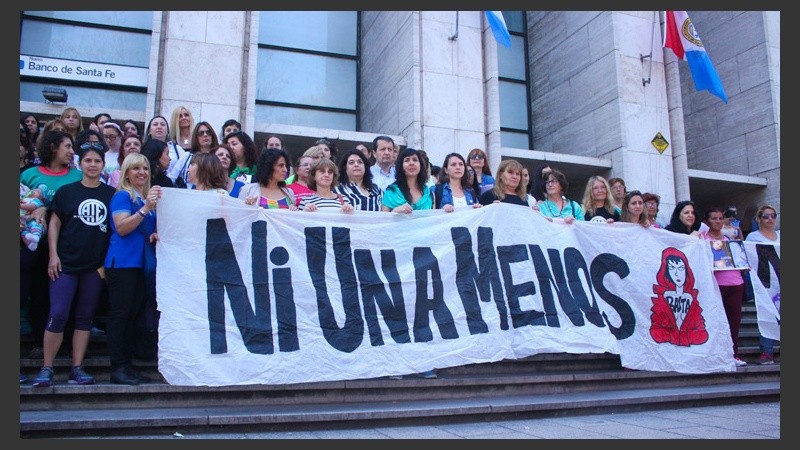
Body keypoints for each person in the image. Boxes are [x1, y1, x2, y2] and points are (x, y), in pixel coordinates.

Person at [31, 143, 115, 387]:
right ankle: (47, 367)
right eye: (88, 160)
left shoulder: (111, 194)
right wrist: (53, 255)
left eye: (97, 161)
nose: (92, 165)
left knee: (85, 317)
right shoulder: (67, 192)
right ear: (80, 164)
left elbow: (115, 231)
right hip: (65, 264)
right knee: (57, 314)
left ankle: (76, 368)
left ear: (103, 165)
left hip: (94, 267)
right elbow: (54, 224)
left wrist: (104, 265)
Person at [21, 131, 83, 354]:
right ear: (53, 147)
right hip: (35, 245)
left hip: (67, 244)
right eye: (67, 146)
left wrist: (46, 209)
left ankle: (66, 344)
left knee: (67, 294)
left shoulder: (77, 176)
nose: (72, 151)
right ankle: (40, 340)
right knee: (39, 291)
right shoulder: (29, 174)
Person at [104, 153, 162, 385]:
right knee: (121, 315)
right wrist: (145, 208)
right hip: (122, 263)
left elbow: (144, 230)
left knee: (132, 316)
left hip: (140, 264)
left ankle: (127, 366)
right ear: (126, 172)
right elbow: (122, 227)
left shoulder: (144, 199)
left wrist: (153, 234)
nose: (142, 172)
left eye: (145, 168)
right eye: (136, 168)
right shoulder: (122, 196)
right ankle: (117, 367)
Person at [700, 207, 747, 367]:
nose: (718, 221)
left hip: (736, 284)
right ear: (707, 221)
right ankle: (714, 355)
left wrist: (744, 265)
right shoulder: (702, 239)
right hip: (715, 285)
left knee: (734, 322)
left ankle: (734, 354)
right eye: (714, 218)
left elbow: (738, 259)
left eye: (720, 218)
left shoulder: (729, 240)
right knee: (714, 322)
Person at [745, 205, 780, 365]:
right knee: (767, 315)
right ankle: (767, 351)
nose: (770, 219)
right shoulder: (753, 237)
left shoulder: (780, 235)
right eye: (766, 216)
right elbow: (747, 257)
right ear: (759, 219)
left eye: (773, 215)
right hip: (764, 282)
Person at [168, 121, 220, 189]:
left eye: (208, 132)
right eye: (201, 133)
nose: (205, 135)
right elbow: (172, 177)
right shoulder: (187, 156)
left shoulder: (218, 156)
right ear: (196, 137)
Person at [382, 147, 433, 213]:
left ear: (420, 165)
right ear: (401, 166)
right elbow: (384, 218)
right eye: (407, 160)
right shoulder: (391, 191)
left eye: (415, 160)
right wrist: (394, 212)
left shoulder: (428, 193)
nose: (411, 163)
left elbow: (434, 217)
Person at [20, 187, 45, 251]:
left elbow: (32, 206)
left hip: (32, 220)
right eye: (32, 190)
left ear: (41, 198)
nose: (32, 191)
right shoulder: (24, 199)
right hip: (24, 222)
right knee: (24, 234)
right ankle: (31, 245)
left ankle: (36, 236)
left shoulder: (36, 200)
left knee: (36, 225)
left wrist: (21, 206)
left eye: (36, 191)